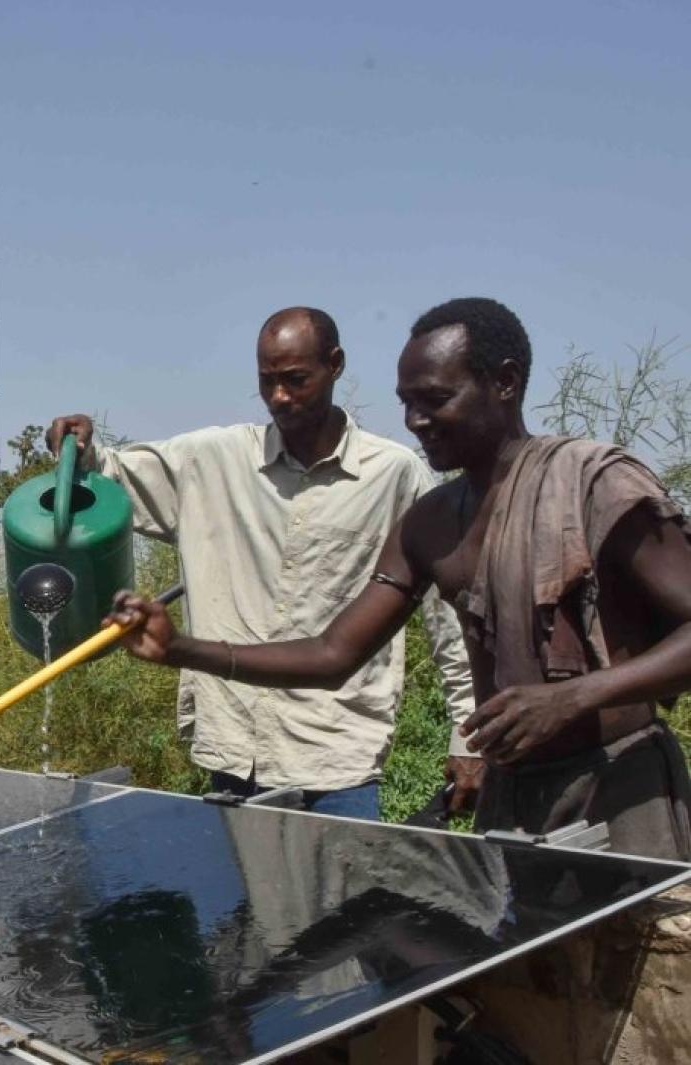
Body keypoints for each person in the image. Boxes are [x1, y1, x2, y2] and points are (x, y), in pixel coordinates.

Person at [109, 297, 691, 861]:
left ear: (505, 382)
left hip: (621, 791)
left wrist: (572, 697)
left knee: (640, 955)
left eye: (435, 399)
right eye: (406, 402)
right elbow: (332, 654)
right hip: (513, 804)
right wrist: (179, 648)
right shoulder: (431, 522)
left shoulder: (594, 485)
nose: (415, 421)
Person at [48, 307, 475, 821]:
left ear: (335, 365)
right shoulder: (210, 460)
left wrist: (469, 738)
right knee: (234, 904)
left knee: (344, 905)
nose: (280, 398)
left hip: (334, 761)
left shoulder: (393, 476)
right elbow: (109, 481)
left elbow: (451, 619)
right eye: (267, 381)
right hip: (232, 754)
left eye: (296, 380)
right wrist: (82, 448)